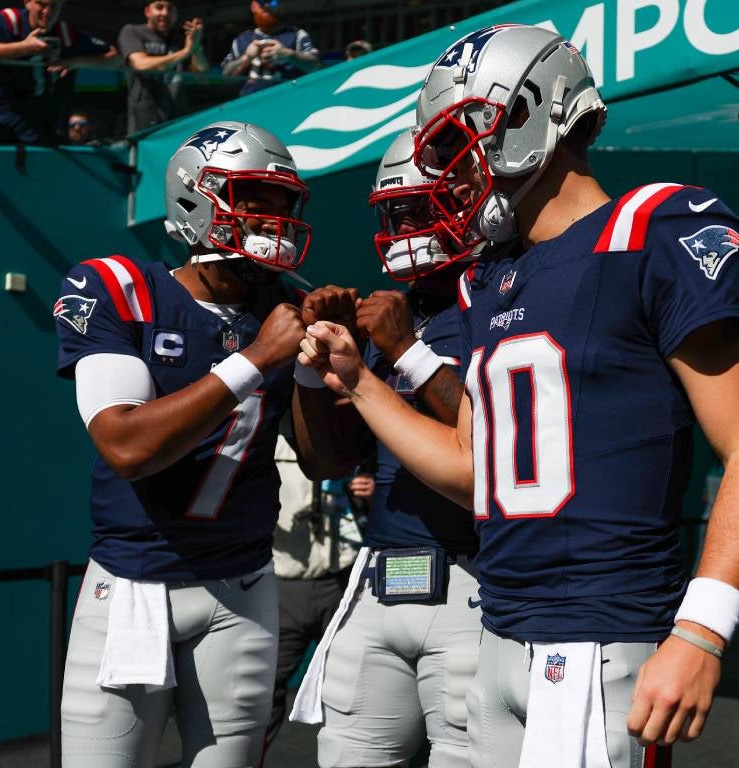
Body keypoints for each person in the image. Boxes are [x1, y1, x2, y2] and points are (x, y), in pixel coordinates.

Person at [297, 25, 739, 767]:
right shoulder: (489, 278)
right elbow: (473, 466)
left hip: (602, 634)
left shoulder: (650, 230)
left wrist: (700, 630)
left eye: (457, 145)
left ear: (531, 115)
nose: (448, 177)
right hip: (500, 628)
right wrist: (361, 384)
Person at [54, 120, 312, 767]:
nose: (272, 218)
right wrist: (254, 360)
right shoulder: (120, 288)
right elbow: (126, 446)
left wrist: (313, 370)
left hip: (243, 588)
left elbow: (326, 460)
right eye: (256, 198)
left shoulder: (285, 308)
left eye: (282, 203)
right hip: (134, 583)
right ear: (197, 198)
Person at [290, 129, 483, 768]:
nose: (402, 227)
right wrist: (315, 369)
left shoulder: (498, 299)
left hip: (475, 576)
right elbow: (326, 462)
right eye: (393, 212)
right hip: (381, 570)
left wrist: (406, 351)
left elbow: (494, 445)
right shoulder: (392, 314)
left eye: (417, 210)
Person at [266, 427, 364, 749]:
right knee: (263, 694)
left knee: (353, 689)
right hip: (281, 581)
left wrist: (368, 487)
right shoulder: (267, 434)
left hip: (341, 578)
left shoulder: (348, 429)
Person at [0, 0, 117, 145]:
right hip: (5, 124)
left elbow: (114, 58)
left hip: (50, 129)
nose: (47, 12)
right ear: (27, 2)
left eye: (54, 6)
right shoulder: (7, 19)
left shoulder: (66, 32)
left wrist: (74, 62)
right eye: (41, 4)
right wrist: (25, 47)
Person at [117, 0, 207, 134]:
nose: (165, 13)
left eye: (170, 8)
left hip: (179, 121)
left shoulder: (181, 39)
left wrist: (196, 47)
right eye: (159, 7)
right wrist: (186, 51)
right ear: (148, 11)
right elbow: (140, 64)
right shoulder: (132, 31)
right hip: (144, 125)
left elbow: (202, 74)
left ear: (175, 13)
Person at [222, 0, 319, 97]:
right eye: (262, 3)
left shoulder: (297, 35)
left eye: (273, 2)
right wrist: (246, 57)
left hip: (288, 101)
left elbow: (316, 67)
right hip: (250, 104)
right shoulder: (242, 39)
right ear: (254, 7)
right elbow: (225, 77)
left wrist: (288, 54)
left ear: (281, 7)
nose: (267, 6)